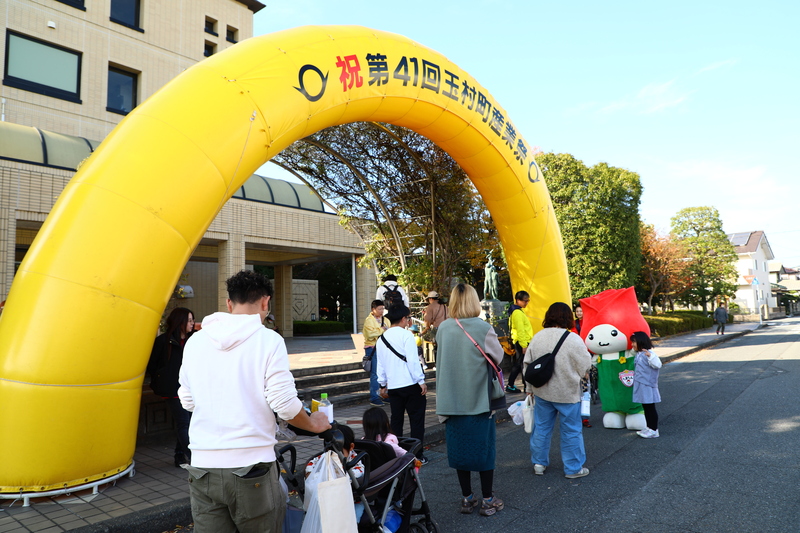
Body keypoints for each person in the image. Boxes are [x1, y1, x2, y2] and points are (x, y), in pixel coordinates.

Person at [178, 270, 331, 533]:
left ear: (229, 303)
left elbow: (187, 400)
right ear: (265, 302)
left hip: (202, 466)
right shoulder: (268, 340)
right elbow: (284, 403)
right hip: (251, 469)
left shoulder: (195, 341)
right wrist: (314, 425)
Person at [435, 283, 505, 517]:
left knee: (459, 452)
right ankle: (487, 499)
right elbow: (498, 356)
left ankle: (467, 498)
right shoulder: (483, 327)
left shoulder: (443, 328)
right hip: (478, 401)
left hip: (450, 401)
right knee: (484, 452)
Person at [524, 302, 592, 479]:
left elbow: (527, 365)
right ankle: (573, 468)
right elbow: (585, 364)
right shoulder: (573, 339)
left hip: (542, 391)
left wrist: (530, 388)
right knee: (571, 430)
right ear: (568, 317)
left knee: (541, 428)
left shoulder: (538, 337)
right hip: (568, 392)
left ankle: (539, 463)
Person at [375, 304, 428, 463]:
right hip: (411, 385)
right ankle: (417, 456)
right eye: (408, 318)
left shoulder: (381, 338)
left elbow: (381, 365)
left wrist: (382, 384)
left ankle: (396, 456)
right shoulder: (407, 336)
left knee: (396, 421)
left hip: (394, 387)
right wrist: (421, 380)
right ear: (404, 318)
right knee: (416, 421)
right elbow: (413, 361)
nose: (408, 321)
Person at [148, 307, 195, 467]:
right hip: (172, 389)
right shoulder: (163, 341)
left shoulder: (193, 339)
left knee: (186, 423)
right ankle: (193, 458)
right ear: (179, 322)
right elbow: (152, 365)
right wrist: (161, 379)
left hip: (190, 388)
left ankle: (179, 455)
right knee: (184, 423)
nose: (192, 323)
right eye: (189, 320)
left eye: (192, 320)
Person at [631, 331, 662, 438]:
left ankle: (654, 430)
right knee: (645, 407)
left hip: (648, 385)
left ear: (640, 342)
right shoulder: (639, 354)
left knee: (650, 408)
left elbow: (658, 364)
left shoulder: (649, 354)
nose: (632, 344)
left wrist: (650, 356)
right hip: (641, 384)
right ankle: (649, 427)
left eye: (634, 342)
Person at [363, 300, 388, 406]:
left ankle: (383, 395)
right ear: (373, 309)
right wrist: (382, 330)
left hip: (384, 349)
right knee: (375, 374)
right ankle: (374, 397)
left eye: (383, 308)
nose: (382, 311)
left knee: (384, 373)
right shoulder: (369, 320)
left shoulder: (386, 319)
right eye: (379, 309)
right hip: (372, 349)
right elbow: (369, 335)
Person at [506, 291, 532, 393]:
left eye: (528, 301)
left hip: (521, 341)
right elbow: (520, 330)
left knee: (520, 364)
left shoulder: (517, 311)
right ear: (518, 300)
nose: (527, 303)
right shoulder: (517, 313)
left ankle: (514, 384)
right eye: (525, 301)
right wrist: (524, 345)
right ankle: (516, 385)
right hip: (522, 342)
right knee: (522, 364)